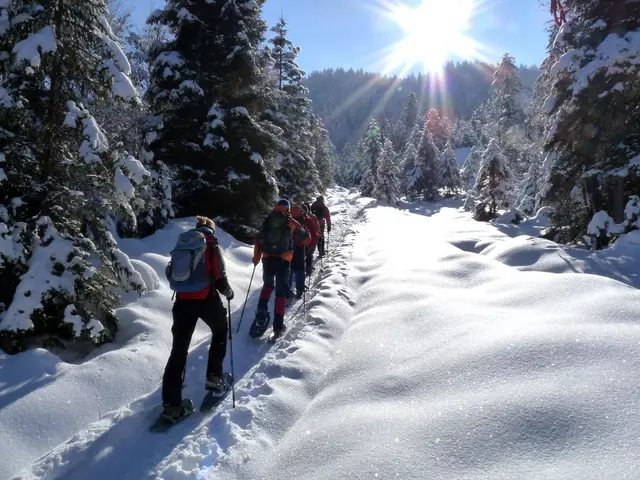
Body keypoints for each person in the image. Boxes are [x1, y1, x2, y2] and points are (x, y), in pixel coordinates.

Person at [162, 216, 234, 421]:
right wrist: (228, 293)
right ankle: (214, 379)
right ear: (211, 229)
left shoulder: (183, 243)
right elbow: (220, 277)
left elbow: (171, 273)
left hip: (182, 302)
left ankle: (171, 404)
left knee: (179, 349)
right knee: (220, 330)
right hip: (207, 299)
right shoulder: (211, 244)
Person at [251, 199, 309, 338]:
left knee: (267, 286)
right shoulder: (289, 222)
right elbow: (306, 238)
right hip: (284, 260)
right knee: (281, 293)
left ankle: (261, 312)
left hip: (267, 259)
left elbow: (259, 240)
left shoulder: (267, 220)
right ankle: (278, 326)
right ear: (287, 209)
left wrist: (256, 258)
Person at [289, 204, 317, 298]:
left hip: (288, 246)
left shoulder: (288, 218)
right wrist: (312, 246)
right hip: (301, 247)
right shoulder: (306, 219)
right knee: (300, 269)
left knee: (289, 269)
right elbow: (313, 233)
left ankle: (286, 290)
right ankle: (300, 289)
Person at [301, 202, 321, 276]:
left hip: (298, 241)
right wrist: (319, 236)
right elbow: (316, 229)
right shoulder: (311, 217)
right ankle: (308, 268)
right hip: (310, 240)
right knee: (309, 254)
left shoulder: (295, 218)